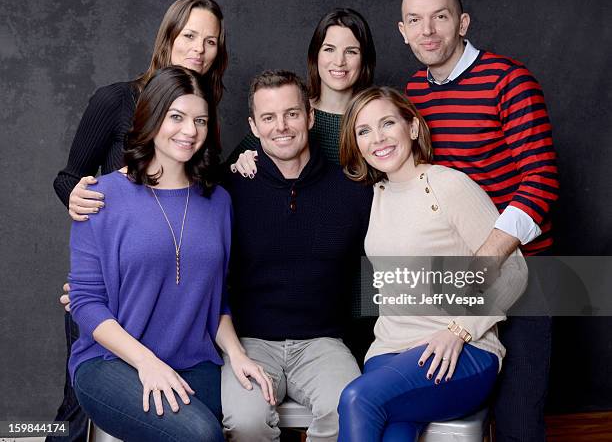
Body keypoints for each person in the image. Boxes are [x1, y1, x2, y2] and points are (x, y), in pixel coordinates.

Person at [50, 0, 228, 442]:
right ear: (167, 37)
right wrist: (81, 203)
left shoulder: (204, 123)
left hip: (173, 312)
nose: (199, 48)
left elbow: (203, 210)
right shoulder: (115, 102)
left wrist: (249, 161)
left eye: (210, 41)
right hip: (115, 293)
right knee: (72, 420)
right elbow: (72, 175)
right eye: (189, 36)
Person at [68, 66, 272, 442]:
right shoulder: (100, 196)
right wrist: (147, 363)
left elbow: (216, 300)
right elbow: (85, 302)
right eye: (176, 117)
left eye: (200, 120)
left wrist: (237, 354)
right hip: (111, 363)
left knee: (253, 421)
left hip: (194, 361)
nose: (190, 131)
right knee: (199, 434)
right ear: (150, 117)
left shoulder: (218, 201)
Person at [397, 0, 559, 440]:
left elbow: (541, 182)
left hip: (524, 274)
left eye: (440, 16)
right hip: (452, 278)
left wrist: (482, 263)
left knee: (517, 421)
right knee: (452, 415)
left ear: (462, 22)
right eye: (415, 20)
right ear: (403, 31)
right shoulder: (413, 91)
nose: (428, 30)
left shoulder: (510, 80)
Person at [336, 86, 526, 442]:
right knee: (393, 433)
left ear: (412, 127)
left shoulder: (449, 186)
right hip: (389, 353)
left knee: (356, 398)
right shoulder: (372, 198)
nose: (378, 138)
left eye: (387, 123)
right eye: (364, 131)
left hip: (461, 353)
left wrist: (459, 330)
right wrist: (247, 160)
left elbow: (515, 271)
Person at [221, 70, 373, 441]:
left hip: (322, 343)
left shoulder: (353, 190)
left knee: (350, 412)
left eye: (291, 114)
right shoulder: (230, 189)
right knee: (245, 423)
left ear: (310, 117)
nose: (281, 127)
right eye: (268, 118)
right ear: (253, 127)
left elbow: (396, 249)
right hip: (250, 343)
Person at [229, 7, 375, 171]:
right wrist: (243, 160)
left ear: (364, 60)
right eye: (329, 49)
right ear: (315, 55)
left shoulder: (374, 118)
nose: (339, 61)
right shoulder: (293, 113)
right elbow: (224, 178)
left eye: (351, 51)